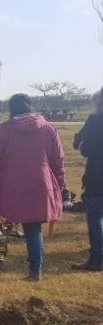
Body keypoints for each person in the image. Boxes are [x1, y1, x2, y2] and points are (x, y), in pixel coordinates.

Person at [0, 94, 66, 282]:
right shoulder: (48, 128)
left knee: (1, 224)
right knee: (33, 228)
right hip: (39, 184)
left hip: (9, 184)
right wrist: (59, 185)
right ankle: (36, 270)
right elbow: (58, 160)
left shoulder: (4, 131)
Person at [72, 89, 103, 272]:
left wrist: (82, 144)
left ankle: (97, 259)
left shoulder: (95, 121)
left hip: (98, 177)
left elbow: (84, 146)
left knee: (95, 218)